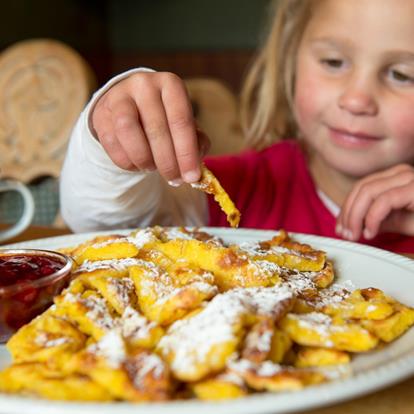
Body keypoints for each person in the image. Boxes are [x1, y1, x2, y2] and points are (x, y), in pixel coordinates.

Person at [60, 0, 414, 253]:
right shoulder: (234, 191)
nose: (356, 100)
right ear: (290, 59)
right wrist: (112, 138)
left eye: (402, 75)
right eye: (333, 62)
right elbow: (103, 225)